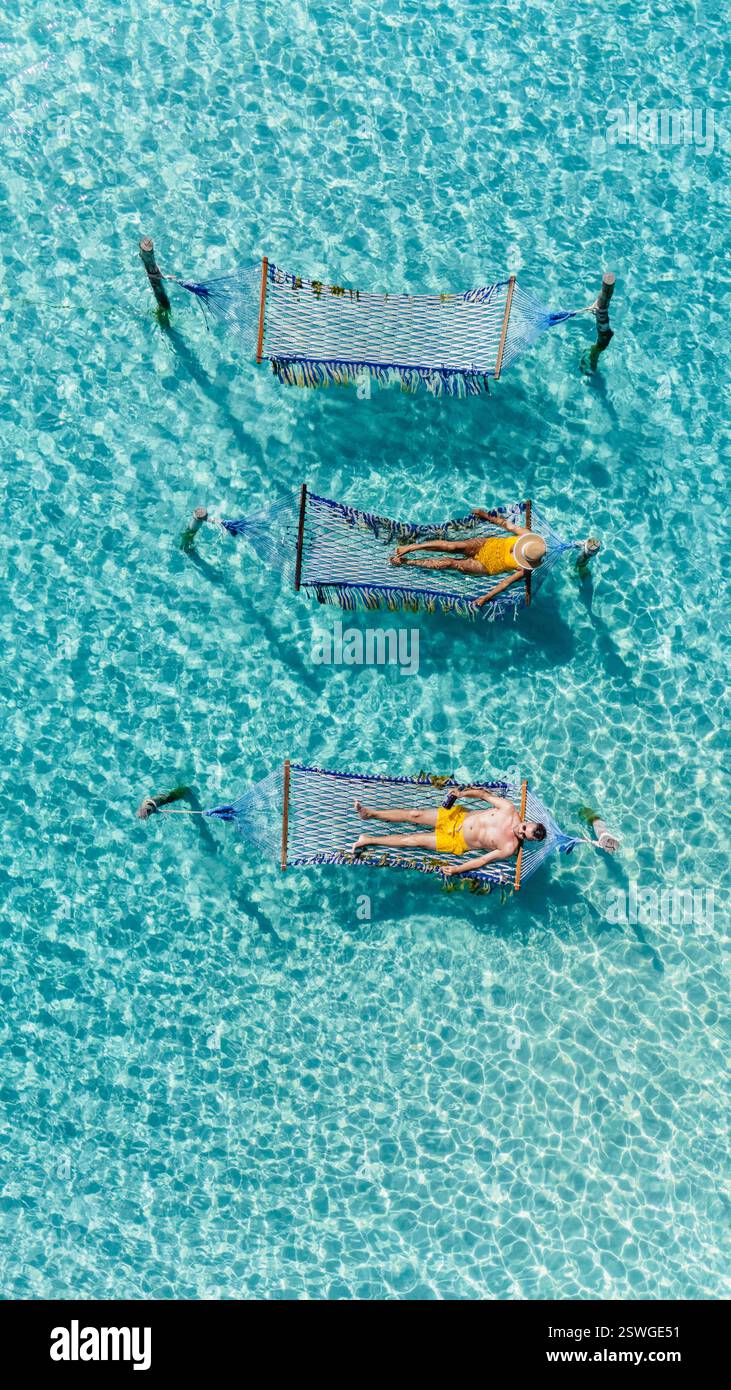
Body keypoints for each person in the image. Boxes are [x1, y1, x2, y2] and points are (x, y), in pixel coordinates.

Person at [352, 787, 546, 877]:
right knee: (414, 814)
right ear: (527, 822)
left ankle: (368, 839)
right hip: (456, 817)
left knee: (413, 840)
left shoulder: (509, 847)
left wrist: (456, 869)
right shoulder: (508, 809)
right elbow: (484, 795)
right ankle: (370, 814)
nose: (518, 832)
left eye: (523, 836)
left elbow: (482, 860)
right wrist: (462, 794)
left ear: (526, 840)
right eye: (523, 828)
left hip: (457, 842)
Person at [389, 508, 546, 608]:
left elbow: (505, 583)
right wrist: (486, 515)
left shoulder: (525, 568)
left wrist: (486, 598)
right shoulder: (527, 535)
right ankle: (412, 547)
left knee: (451, 563)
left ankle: (407, 562)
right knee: (453, 546)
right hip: (487, 544)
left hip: (485, 565)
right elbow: (507, 525)